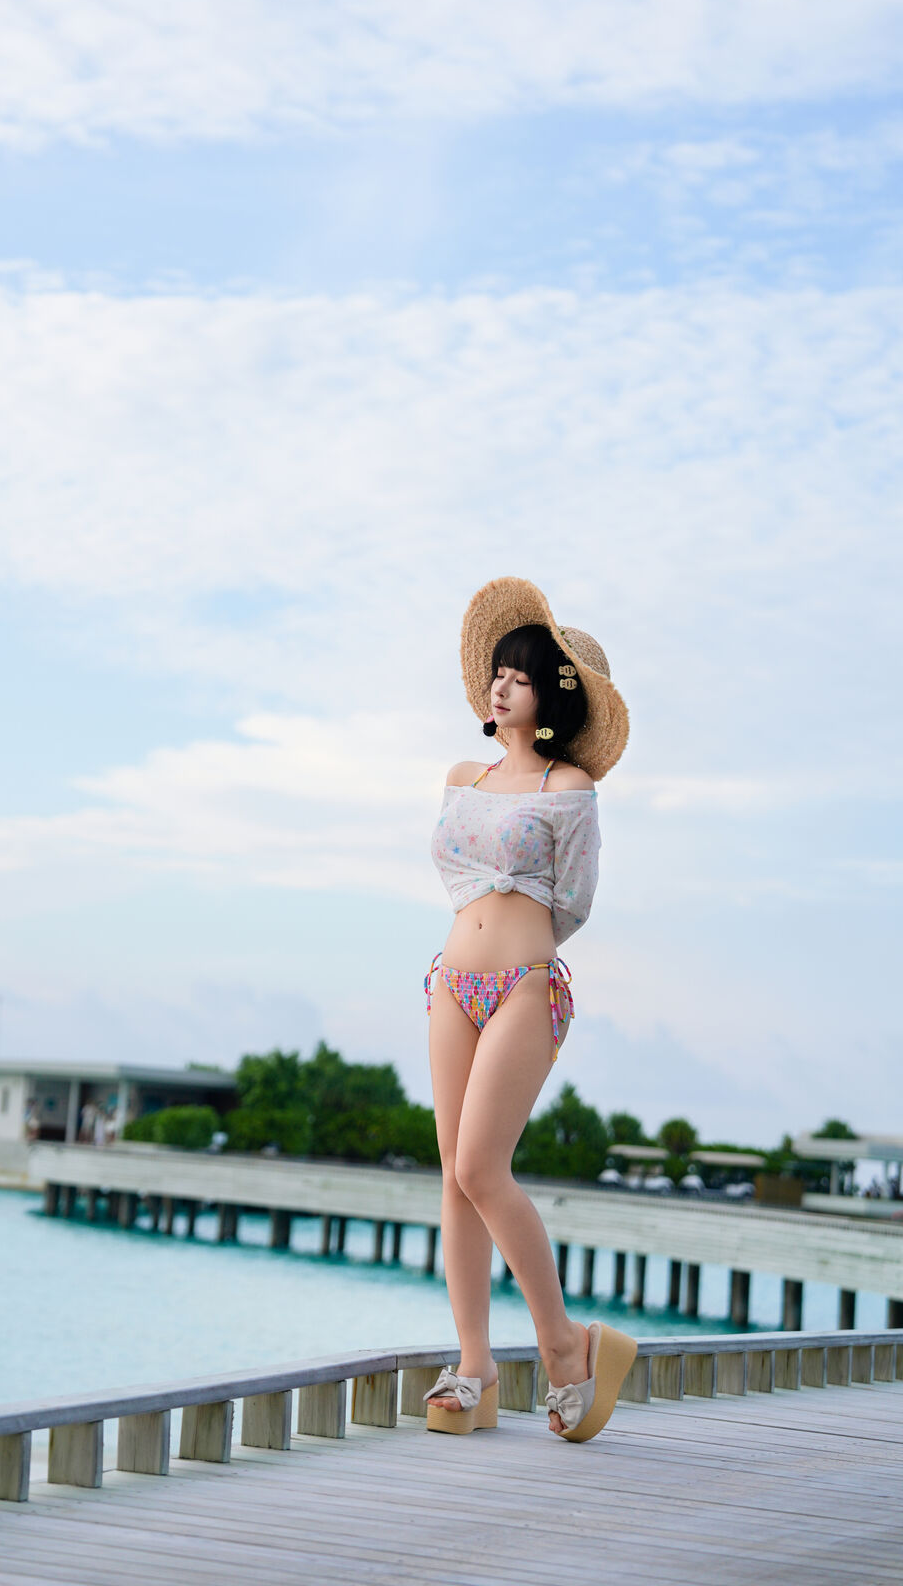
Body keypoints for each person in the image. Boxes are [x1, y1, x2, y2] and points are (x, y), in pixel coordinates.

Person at [423, 576, 637, 1443]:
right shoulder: (460, 776)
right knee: (453, 1174)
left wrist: (519, 946)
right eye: (499, 673)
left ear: (551, 697)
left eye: (522, 676)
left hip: (524, 984)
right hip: (451, 981)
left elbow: (573, 902)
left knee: (483, 1167)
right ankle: (475, 1367)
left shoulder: (569, 786)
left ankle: (565, 1347)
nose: (503, 685)